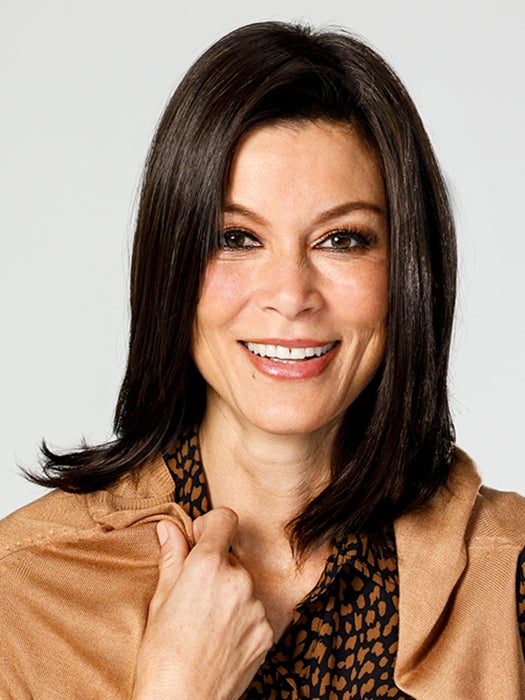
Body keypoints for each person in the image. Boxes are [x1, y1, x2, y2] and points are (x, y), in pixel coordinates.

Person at [1, 20, 524, 699]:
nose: (290, 295)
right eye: (237, 237)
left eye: (342, 239)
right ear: (170, 264)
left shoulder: (506, 575)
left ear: (408, 270)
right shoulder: (26, 593)